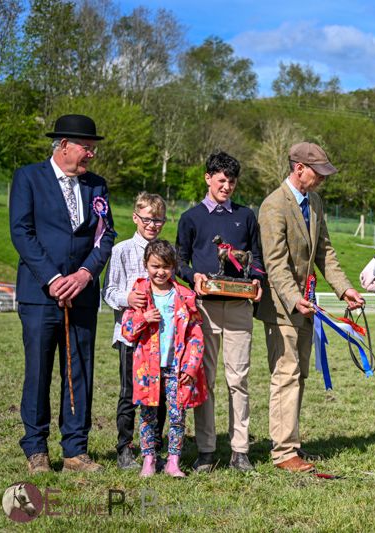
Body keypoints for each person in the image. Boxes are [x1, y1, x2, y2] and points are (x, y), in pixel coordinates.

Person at [9, 114, 115, 473]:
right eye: (87, 148)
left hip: (82, 295)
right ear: (64, 145)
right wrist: (53, 278)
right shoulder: (28, 178)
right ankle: (36, 449)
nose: (91, 155)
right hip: (41, 295)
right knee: (38, 371)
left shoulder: (97, 186)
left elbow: (106, 236)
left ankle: (75, 450)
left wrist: (85, 274)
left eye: (93, 149)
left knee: (79, 371)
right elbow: (22, 232)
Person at [257, 142, 365, 473]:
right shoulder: (274, 206)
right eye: (318, 173)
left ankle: (290, 444)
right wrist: (292, 297)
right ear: (298, 168)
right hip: (282, 306)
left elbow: (326, 253)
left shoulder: (314, 203)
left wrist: (344, 288)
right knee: (286, 374)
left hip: (308, 304)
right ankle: (284, 453)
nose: (321, 180)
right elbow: (275, 263)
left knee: (299, 374)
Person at [176, 151, 264, 473]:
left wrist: (256, 281)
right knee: (207, 380)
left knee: (238, 379)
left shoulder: (246, 216)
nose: (226, 186)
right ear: (208, 178)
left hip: (239, 308)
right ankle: (206, 449)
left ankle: (240, 451)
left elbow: (256, 258)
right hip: (205, 310)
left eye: (231, 181)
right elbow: (179, 261)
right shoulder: (191, 218)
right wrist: (193, 277)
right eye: (221, 180)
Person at [121, 240, 207, 478]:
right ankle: (148, 459)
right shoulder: (139, 296)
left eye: (166, 267)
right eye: (155, 266)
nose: (160, 272)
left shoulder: (185, 296)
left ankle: (173, 461)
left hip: (177, 367)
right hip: (147, 369)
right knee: (148, 414)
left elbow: (196, 335)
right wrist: (143, 318)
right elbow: (127, 331)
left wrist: (191, 366)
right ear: (146, 265)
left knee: (177, 414)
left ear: (174, 267)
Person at [102, 192, 168, 470]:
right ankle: (124, 447)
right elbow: (108, 291)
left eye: (158, 220)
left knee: (160, 394)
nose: (152, 225)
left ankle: (153, 446)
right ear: (135, 218)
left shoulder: (166, 252)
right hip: (131, 337)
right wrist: (127, 299)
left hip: (160, 337)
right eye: (147, 219)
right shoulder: (121, 251)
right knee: (130, 392)